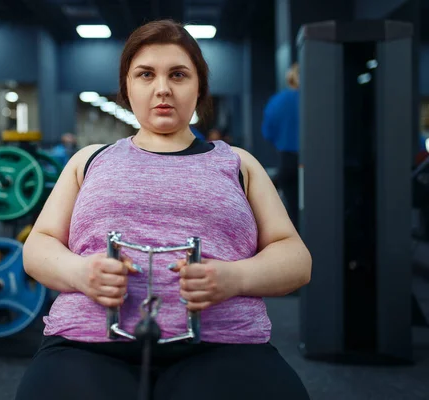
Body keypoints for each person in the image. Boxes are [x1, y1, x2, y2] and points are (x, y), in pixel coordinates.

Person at [16, 20, 312, 400]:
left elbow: (296, 259)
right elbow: (38, 245)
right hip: (88, 342)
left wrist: (235, 278)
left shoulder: (238, 163)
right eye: (145, 74)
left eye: (178, 75)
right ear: (127, 86)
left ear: (199, 87)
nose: (162, 89)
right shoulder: (90, 160)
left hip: (222, 344)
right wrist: (80, 273)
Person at [262, 63, 300, 231]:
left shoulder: (277, 101)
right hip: (317, 162)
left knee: (293, 213)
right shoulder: (316, 100)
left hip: (288, 161)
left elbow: (267, 133)